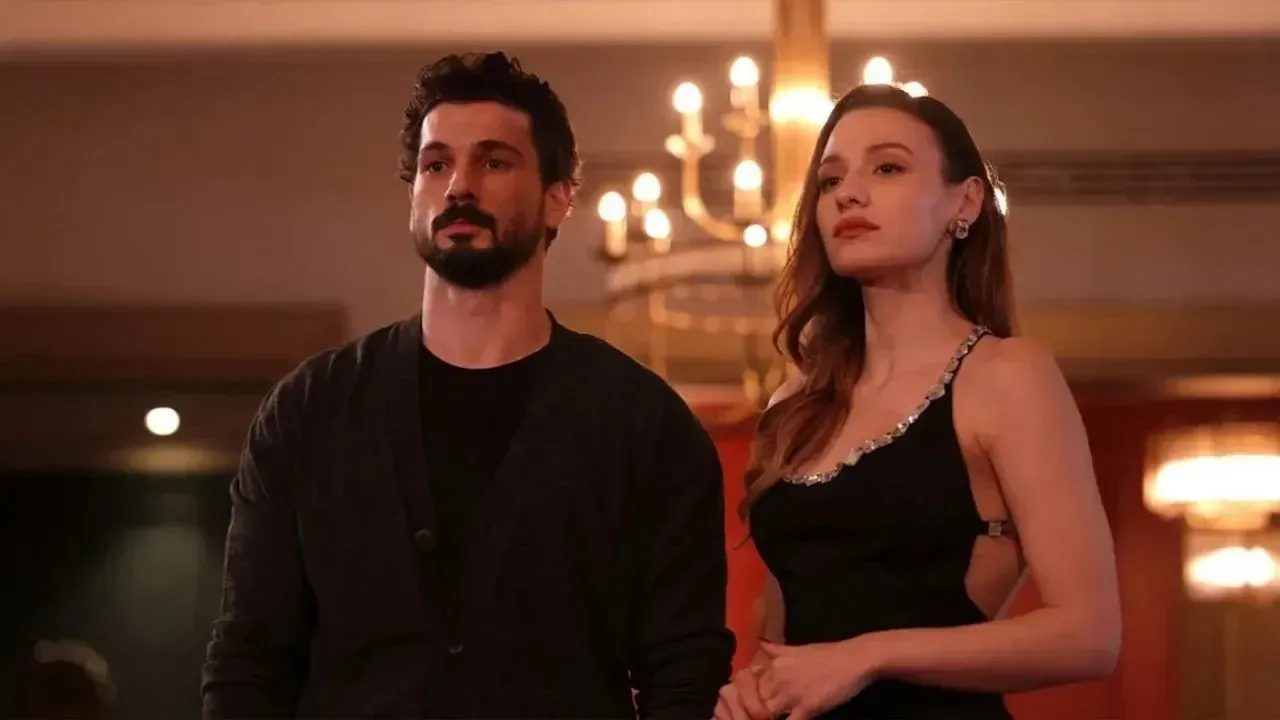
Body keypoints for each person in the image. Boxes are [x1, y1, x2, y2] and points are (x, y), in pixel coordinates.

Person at [202, 52, 735, 719]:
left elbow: (683, 672)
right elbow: (250, 655)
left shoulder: (642, 423)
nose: (459, 186)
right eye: (436, 165)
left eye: (494, 162)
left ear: (559, 197)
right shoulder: (312, 409)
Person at [713, 84, 1120, 720]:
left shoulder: (1007, 377)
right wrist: (753, 689)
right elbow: (787, 639)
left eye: (887, 168)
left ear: (965, 201)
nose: (848, 193)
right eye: (830, 180)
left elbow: (1089, 635)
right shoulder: (795, 401)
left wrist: (868, 655)